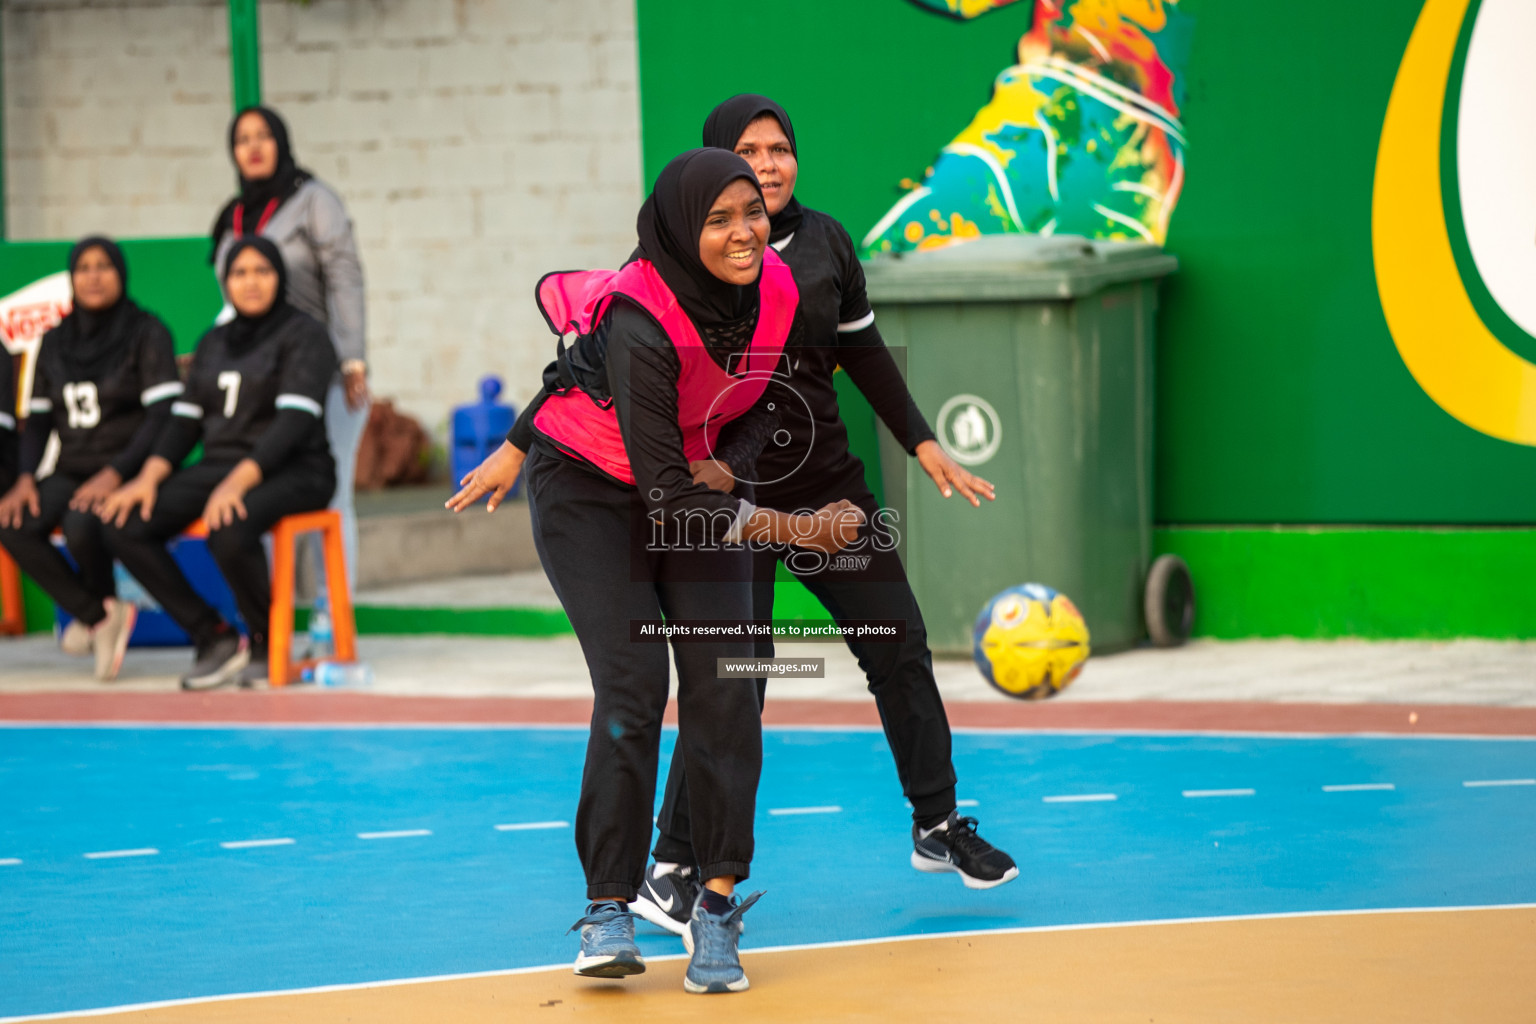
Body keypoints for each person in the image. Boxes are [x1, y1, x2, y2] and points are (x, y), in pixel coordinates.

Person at [495, 97, 1019, 935]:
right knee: (737, 677)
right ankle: (673, 864)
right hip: (724, 498)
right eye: (749, 151)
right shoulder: (672, 260)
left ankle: (937, 822)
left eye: (780, 150)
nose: (769, 165)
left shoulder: (822, 249)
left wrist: (922, 443)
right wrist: (523, 440)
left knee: (897, 640)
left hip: (820, 483)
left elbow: (867, 356)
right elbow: (598, 362)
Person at [449, 149, 863, 994]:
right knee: (634, 686)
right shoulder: (645, 317)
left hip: (687, 480)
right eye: (718, 220)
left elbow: (767, 396)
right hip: (593, 491)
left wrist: (733, 462)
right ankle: (608, 906)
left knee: (729, 680)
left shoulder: (776, 289)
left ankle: (712, 906)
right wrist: (797, 526)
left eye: (751, 210)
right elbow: (658, 483)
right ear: (680, 229)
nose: (744, 231)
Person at [99, 238, 337, 690]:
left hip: (297, 468)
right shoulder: (213, 341)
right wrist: (146, 479)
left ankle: (269, 641)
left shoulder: (305, 334)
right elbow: (182, 425)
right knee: (124, 524)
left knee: (229, 528)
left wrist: (237, 484)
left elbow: (292, 424)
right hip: (221, 467)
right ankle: (213, 636)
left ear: (279, 278)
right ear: (225, 281)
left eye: (262, 271)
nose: (251, 282)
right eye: (240, 273)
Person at [0, 237, 180, 679]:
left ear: (121, 273)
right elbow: (39, 422)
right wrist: (25, 478)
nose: (93, 275)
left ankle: (96, 617)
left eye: (103, 266)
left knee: (82, 523)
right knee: (12, 521)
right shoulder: (56, 341)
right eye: (83, 267)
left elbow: (162, 418)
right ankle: (99, 615)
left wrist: (117, 472)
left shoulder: (146, 330)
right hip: (72, 467)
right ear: (72, 278)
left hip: (128, 467)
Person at [210, 105, 368, 596]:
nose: (253, 147)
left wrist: (352, 356)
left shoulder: (313, 200)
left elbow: (344, 275)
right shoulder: (233, 217)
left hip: (323, 369)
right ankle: (274, 615)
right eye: (242, 139)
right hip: (261, 378)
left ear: (281, 141)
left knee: (330, 493)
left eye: (263, 136)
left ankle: (329, 613)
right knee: (260, 492)